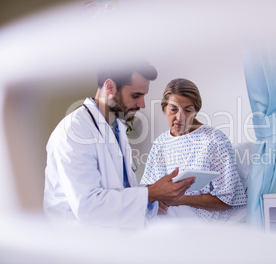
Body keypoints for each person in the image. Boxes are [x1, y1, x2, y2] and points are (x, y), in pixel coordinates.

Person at [43, 60, 195, 228]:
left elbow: (117, 188)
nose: (142, 104)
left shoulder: (117, 128)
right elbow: (88, 208)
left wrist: (154, 197)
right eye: (136, 96)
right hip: (77, 242)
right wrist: (150, 194)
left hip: (109, 237)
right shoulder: (74, 131)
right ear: (109, 87)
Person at [141, 78, 247, 222]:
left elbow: (227, 200)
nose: (180, 117)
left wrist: (177, 199)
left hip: (203, 218)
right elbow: (147, 188)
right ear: (164, 108)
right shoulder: (161, 143)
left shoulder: (214, 140)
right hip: (168, 213)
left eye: (188, 110)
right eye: (173, 109)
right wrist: (156, 200)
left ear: (196, 111)